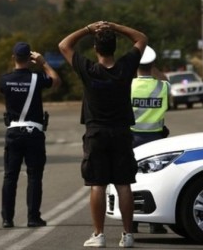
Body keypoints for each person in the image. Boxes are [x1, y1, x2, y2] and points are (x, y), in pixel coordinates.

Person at [58, 21, 147, 249]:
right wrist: (115, 27)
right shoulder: (126, 67)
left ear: (96, 49)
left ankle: (99, 235)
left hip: (96, 132)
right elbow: (141, 39)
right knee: (124, 184)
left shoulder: (88, 69)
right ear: (115, 48)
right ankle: (127, 235)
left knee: (97, 184)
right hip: (121, 132)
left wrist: (88, 29)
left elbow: (64, 45)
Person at [0, 42, 61, 229]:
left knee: (10, 177)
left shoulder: (4, 79)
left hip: (14, 132)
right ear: (30, 59)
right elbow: (56, 81)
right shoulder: (37, 78)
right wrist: (44, 63)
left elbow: (6, 91)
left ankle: (7, 219)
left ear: (13, 58)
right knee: (34, 176)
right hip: (33, 132)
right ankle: (33, 217)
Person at [130, 45, 169, 234]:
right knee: (156, 178)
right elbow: (166, 80)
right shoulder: (162, 86)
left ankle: (133, 222)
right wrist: (154, 67)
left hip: (132, 139)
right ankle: (155, 223)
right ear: (152, 63)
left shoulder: (128, 86)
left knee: (131, 179)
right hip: (156, 139)